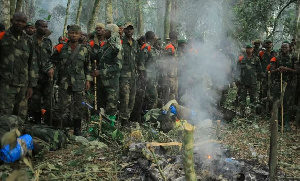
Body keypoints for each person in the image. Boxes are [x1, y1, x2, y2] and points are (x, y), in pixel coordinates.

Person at [47, 24, 92, 135]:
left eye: (76, 33)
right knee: (61, 105)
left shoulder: (85, 49)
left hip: (79, 82)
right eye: (72, 33)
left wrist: (88, 80)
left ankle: (77, 129)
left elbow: (88, 66)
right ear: (68, 34)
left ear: (80, 35)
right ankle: (58, 129)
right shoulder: (61, 48)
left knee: (79, 106)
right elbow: (51, 60)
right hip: (64, 82)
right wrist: (51, 68)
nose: (74, 35)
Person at [0, 12, 38, 121]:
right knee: (4, 114)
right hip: (5, 84)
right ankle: (4, 137)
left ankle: (18, 137)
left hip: (23, 85)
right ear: (12, 21)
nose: (20, 23)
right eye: (17, 20)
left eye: (23, 21)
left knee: (21, 115)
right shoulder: (2, 37)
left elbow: (32, 64)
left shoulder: (29, 40)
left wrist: (31, 85)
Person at [92, 24, 122, 124]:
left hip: (111, 84)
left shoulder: (116, 48)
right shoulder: (105, 46)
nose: (104, 32)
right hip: (101, 83)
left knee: (111, 108)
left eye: (106, 31)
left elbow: (118, 66)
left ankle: (110, 128)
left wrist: (100, 72)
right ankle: (100, 127)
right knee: (100, 106)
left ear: (111, 33)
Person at [28, 20, 53, 125]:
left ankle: (48, 123)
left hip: (46, 77)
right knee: (35, 101)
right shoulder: (29, 40)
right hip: (34, 77)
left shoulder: (48, 42)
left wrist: (51, 68)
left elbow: (51, 58)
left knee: (49, 102)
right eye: (42, 26)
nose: (45, 28)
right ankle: (37, 122)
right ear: (36, 27)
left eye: (46, 26)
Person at [270, 43, 298, 131]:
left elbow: (297, 71)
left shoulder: (293, 58)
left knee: (287, 103)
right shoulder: (276, 58)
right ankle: (277, 123)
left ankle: (286, 123)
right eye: (282, 47)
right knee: (278, 102)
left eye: (286, 47)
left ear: (289, 48)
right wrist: (278, 69)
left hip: (289, 84)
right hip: (278, 83)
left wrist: (287, 69)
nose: (284, 48)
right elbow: (271, 70)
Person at [119, 22, 138, 126]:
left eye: (131, 29)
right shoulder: (121, 42)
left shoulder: (135, 43)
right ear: (124, 30)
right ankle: (123, 120)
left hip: (133, 76)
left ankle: (128, 118)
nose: (129, 31)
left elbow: (137, 59)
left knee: (132, 99)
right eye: (127, 29)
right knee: (124, 98)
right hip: (124, 76)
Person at [236, 44, 262, 115]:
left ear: (252, 49)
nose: (248, 50)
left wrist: (258, 79)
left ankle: (252, 114)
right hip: (243, 82)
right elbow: (237, 70)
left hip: (253, 82)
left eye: (250, 48)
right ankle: (242, 113)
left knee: (253, 98)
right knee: (242, 98)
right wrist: (237, 79)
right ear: (245, 49)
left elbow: (259, 70)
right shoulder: (241, 59)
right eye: (247, 48)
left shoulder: (256, 59)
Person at [160, 31, 178, 105]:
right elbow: (164, 62)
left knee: (172, 95)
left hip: (172, 75)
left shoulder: (172, 47)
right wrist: (166, 75)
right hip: (169, 76)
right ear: (176, 38)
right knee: (169, 96)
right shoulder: (170, 48)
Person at [258, 39, 273, 109]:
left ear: (272, 44)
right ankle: (262, 107)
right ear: (265, 44)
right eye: (267, 43)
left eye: (270, 43)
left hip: (273, 75)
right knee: (263, 90)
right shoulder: (261, 53)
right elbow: (258, 63)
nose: (268, 45)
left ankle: (270, 107)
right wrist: (261, 72)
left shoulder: (275, 53)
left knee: (271, 91)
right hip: (264, 75)